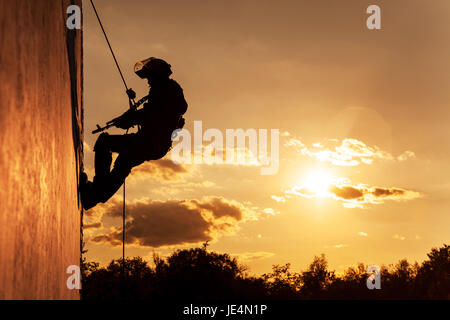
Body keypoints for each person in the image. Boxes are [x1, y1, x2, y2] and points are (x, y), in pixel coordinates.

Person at [80, 57, 188, 210]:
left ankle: (95, 192)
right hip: (153, 144)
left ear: (157, 75)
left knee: (105, 142)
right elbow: (153, 114)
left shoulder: (165, 91)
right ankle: (95, 196)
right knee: (124, 163)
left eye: (150, 76)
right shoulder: (167, 90)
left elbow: (152, 115)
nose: (148, 81)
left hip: (149, 142)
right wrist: (129, 118)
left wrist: (127, 120)